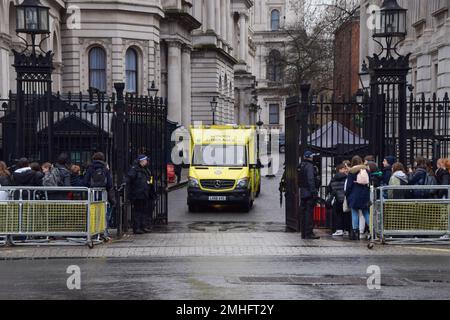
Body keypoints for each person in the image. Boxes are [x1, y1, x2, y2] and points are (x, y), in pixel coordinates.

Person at [126, 155, 156, 235]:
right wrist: (130, 194)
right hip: (137, 195)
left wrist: (151, 192)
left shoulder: (146, 170)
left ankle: (143, 226)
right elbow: (129, 181)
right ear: (141, 161)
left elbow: (150, 181)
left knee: (144, 211)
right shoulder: (134, 170)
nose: (147, 162)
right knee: (137, 211)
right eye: (146, 160)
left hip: (145, 194)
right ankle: (137, 228)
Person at [345, 156, 371, 241]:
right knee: (366, 212)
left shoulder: (352, 171)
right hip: (365, 194)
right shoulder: (366, 169)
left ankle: (355, 232)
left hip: (354, 194)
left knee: (354, 212)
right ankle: (372, 229)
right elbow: (369, 181)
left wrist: (347, 194)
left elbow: (349, 185)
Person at [298, 151, 321, 240]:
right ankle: (309, 233)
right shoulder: (310, 166)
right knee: (309, 213)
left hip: (303, 192)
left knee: (303, 213)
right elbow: (310, 179)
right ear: (310, 157)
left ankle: (303, 233)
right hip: (309, 193)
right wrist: (314, 191)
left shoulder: (301, 166)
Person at [327, 163, 350, 237]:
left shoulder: (334, 178)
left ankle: (339, 230)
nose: (345, 169)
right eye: (344, 168)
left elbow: (329, 188)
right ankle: (347, 230)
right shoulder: (347, 177)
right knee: (346, 214)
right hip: (346, 198)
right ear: (340, 169)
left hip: (337, 198)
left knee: (338, 214)